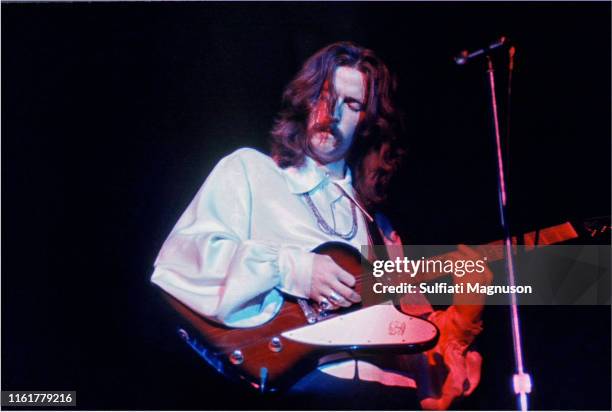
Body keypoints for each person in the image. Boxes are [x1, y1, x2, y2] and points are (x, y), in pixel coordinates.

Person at [151, 41, 490, 410]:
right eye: (326, 95)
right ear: (306, 100)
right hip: (303, 389)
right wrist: (295, 267)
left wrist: (466, 311)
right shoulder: (251, 171)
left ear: (366, 123)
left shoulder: (377, 225)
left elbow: (418, 350)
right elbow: (181, 262)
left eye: (353, 104)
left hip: (392, 396)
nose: (333, 112)